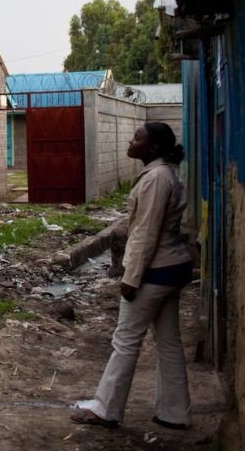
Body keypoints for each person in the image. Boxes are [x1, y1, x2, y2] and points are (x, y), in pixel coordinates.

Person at [70, 122, 193, 430]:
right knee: (169, 342)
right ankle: (175, 412)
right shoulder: (165, 175)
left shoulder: (155, 180)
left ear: (152, 148)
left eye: (137, 138)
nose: (130, 140)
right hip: (173, 267)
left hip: (156, 270)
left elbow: (145, 233)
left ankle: (106, 408)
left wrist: (131, 277)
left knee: (125, 339)